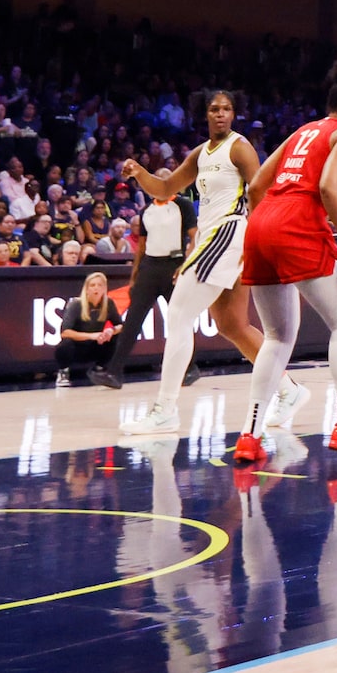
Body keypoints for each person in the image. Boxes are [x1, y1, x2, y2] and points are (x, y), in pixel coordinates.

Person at [232, 56, 337, 462]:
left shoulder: (301, 131)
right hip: (297, 221)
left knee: (278, 336)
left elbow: (255, 185)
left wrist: (265, 227)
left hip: (262, 223)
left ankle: (249, 436)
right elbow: (326, 187)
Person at [120, 91, 265, 436]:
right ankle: (289, 390)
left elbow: (260, 192)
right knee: (231, 325)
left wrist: (256, 240)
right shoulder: (201, 153)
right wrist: (140, 173)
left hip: (229, 234)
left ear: (234, 114)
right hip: (212, 240)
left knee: (179, 314)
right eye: (214, 109)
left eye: (226, 109)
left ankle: (165, 409)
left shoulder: (239, 147)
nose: (220, 114)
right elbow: (166, 187)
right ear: (204, 114)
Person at [102, 187, 188, 388]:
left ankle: (189, 368)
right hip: (149, 268)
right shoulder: (147, 209)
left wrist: (186, 265)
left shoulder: (182, 205)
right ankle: (114, 372)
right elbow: (141, 246)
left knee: (178, 321)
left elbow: (195, 235)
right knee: (133, 319)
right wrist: (134, 277)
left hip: (174, 267)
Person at [57, 272, 117, 383]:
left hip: (95, 346)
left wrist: (111, 330)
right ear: (87, 289)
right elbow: (65, 332)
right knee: (65, 344)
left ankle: (100, 368)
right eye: (93, 285)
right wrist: (92, 335)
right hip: (77, 348)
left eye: (100, 285)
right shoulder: (76, 304)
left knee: (117, 336)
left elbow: (120, 325)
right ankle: (63, 372)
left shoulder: (109, 303)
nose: (96, 288)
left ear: (105, 288)